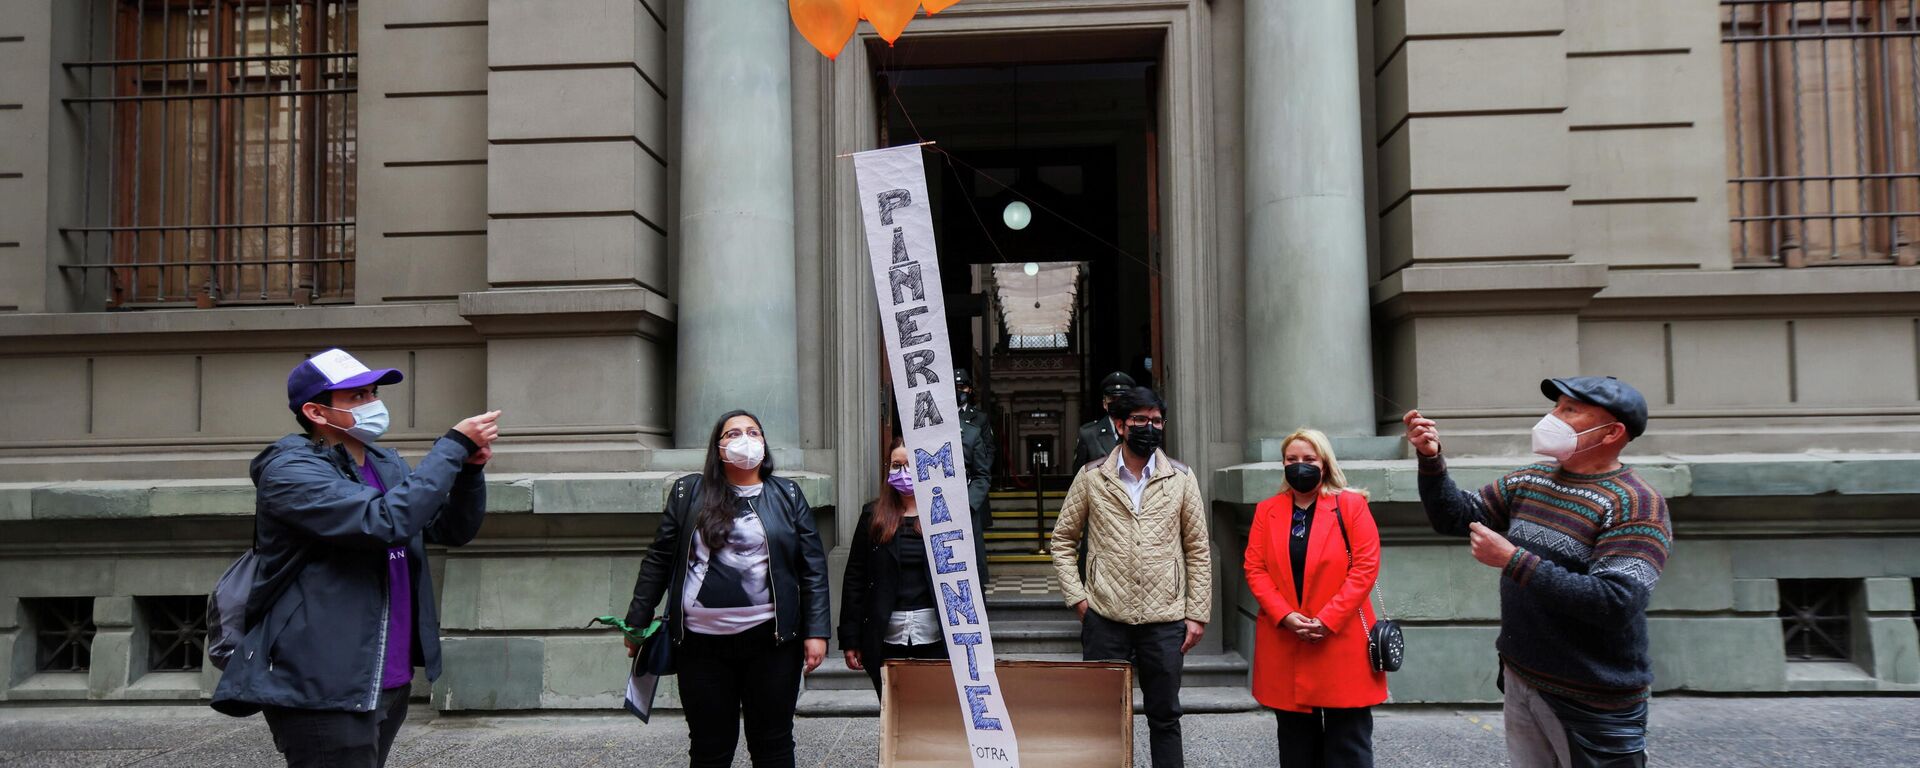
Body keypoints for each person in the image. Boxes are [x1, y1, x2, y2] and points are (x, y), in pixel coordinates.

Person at [210, 348, 498, 768]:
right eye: (357, 397)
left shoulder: (385, 462)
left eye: (373, 393)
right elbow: (383, 520)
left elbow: (449, 529)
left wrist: (469, 472)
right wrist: (452, 447)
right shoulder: (291, 471)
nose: (373, 404)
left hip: (386, 671)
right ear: (316, 411)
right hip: (321, 677)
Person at [1404, 376, 1671, 768]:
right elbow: (1456, 516)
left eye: (1569, 410)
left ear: (1612, 432)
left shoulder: (1636, 503)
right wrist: (1431, 459)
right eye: (1556, 407)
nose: (1552, 417)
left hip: (1591, 698)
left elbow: (1616, 601)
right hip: (1523, 677)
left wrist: (1514, 560)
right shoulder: (1533, 479)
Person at [624, 410, 830, 768]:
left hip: (772, 644)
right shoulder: (689, 492)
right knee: (709, 748)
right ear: (718, 448)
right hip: (700, 647)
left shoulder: (788, 495)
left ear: (764, 445)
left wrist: (817, 631)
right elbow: (659, 558)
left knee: (774, 745)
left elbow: (811, 567)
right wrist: (637, 620)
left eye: (753, 432)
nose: (744, 439)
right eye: (733, 433)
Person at [1050, 386, 1211, 768]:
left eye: (1156, 421)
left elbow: (1198, 548)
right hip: (1105, 617)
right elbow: (1062, 540)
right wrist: (1079, 599)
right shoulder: (1091, 477)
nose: (1149, 427)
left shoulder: (1181, 478)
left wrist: (1197, 612)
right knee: (1102, 717)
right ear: (1121, 425)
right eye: (1140, 420)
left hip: (1165, 619)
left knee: (1166, 715)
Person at [1244, 428, 1387, 767]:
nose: (1300, 466)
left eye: (1308, 459)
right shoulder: (1267, 510)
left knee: (1348, 746)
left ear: (1324, 463)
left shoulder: (1350, 505)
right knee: (1295, 748)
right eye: (1292, 460)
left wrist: (1328, 619)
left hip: (1341, 641)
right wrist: (1285, 615)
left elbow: (1366, 568)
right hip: (1286, 641)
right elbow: (1255, 568)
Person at [838, 436, 948, 695]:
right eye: (896, 465)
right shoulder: (872, 515)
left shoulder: (946, 516)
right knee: (893, 709)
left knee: (932, 711)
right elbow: (855, 577)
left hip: (936, 635)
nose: (903, 472)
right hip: (885, 634)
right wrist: (850, 637)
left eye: (910, 465)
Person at [954, 368, 996, 579]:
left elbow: (987, 452)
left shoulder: (979, 418)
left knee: (974, 544)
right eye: (955, 386)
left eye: (962, 387)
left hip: (970, 489)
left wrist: (972, 496)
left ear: (969, 389)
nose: (958, 391)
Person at [1071, 371, 1135, 469]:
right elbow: (1079, 474)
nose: (1118, 404)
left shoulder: (1140, 429)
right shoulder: (1089, 434)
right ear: (1105, 403)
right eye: (1113, 399)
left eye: (1123, 399)